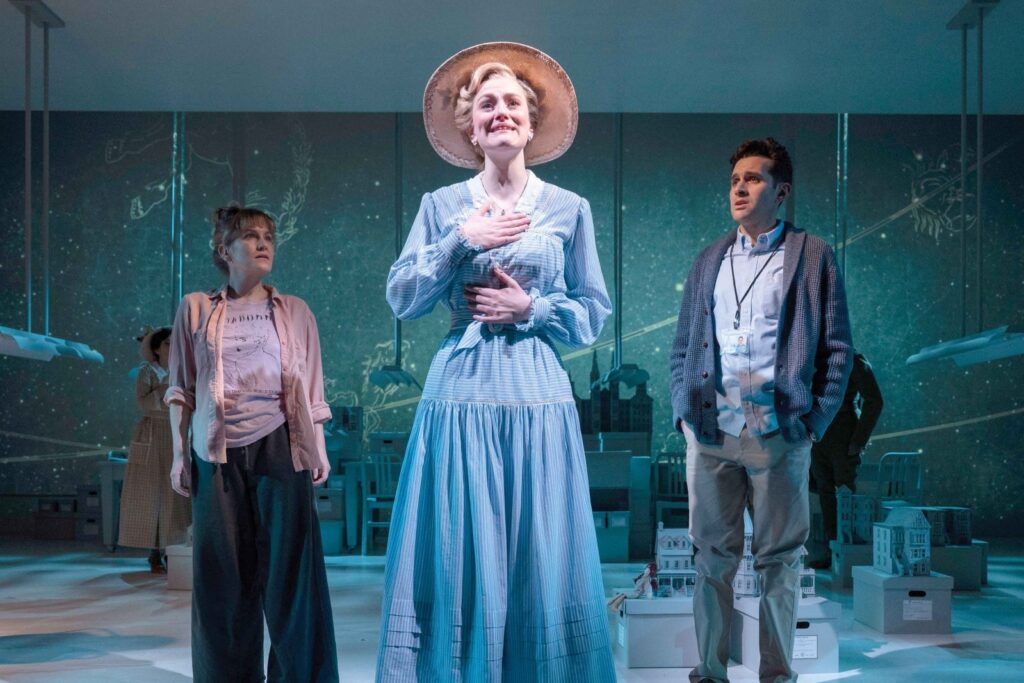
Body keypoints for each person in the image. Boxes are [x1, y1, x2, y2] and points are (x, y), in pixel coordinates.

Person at [376, 42, 616, 682]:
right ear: (470, 127)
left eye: (513, 102)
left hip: (538, 396)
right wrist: (462, 240)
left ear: (532, 123)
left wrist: (530, 308)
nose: (500, 112)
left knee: (542, 551)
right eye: (486, 104)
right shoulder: (440, 207)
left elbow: (592, 311)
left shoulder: (569, 208)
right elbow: (402, 297)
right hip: (460, 395)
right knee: (459, 549)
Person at [669, 138, 852, 683]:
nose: (740, 189)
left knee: (780, 562)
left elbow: (837, 349)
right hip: (711, 434)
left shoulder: (812, 255)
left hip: (779, 433)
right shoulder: (710, 259)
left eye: (753, 179)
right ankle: (710, 673)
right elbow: (683, 346)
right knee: (711, 559)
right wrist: (684, 414)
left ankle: (776, 676)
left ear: (782, 190)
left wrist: (813, 423)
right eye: (735, 181)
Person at [165, 206, 338, 682]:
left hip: (282, 445)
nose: (263, 243)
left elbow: (312, 388)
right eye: (249, 236)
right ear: (224, 251)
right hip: (215, 451)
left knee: (291, 574)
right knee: (223, 576)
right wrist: (179, 454)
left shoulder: (295, 310)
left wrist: (319, 448)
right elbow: (181, 388)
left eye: (268, 236)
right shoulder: (196, 307)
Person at [117, 325, 191, 572]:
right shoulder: (148, 371)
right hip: (152, 432)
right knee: (150, 491)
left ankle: (174, 548)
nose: (172, 347)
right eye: (167, 343)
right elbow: (144, 403)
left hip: (177, 430)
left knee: (176, 492)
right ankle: (154, 550)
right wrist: (164, 387)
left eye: (174, 343)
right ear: (157, 348)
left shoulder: (183, 370)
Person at [809, 350, 883, 564]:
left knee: (845, 494)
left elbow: (874, 400)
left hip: (844, 432)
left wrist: (858, 440)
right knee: (825, 492)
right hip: (819, 431)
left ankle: (847, 551)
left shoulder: (852, 357)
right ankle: (833, 550)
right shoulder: (814, 356)